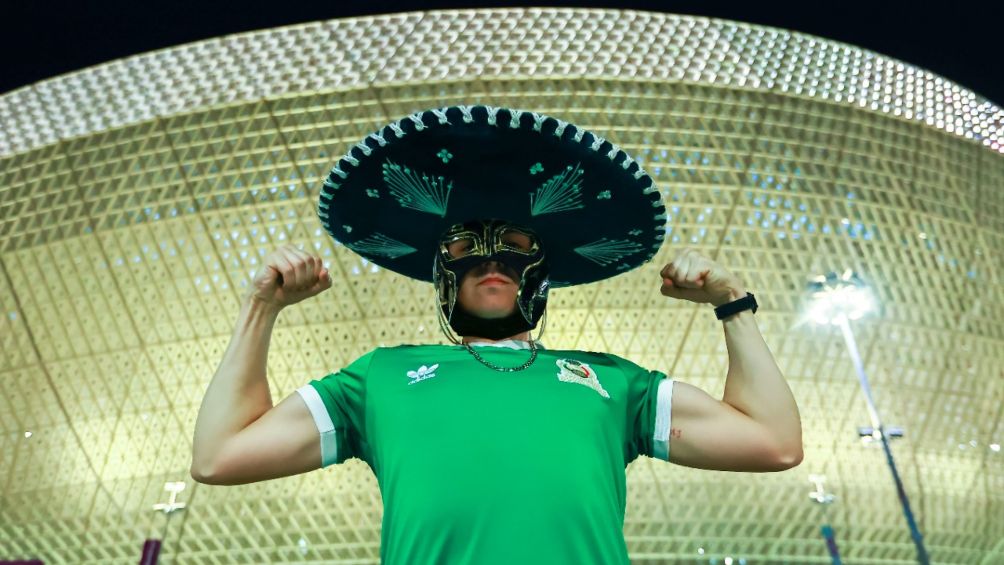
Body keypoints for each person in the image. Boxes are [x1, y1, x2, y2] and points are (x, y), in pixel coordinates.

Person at [191, 106, 803, 564]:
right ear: (441, 272)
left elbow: (773, 443)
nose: (491, 260)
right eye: (466, 247)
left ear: (542, 272)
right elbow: (220, 456)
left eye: (514, 245)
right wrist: (261, 308)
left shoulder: (615, 382)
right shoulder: (379, 377)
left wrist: (732, 304)